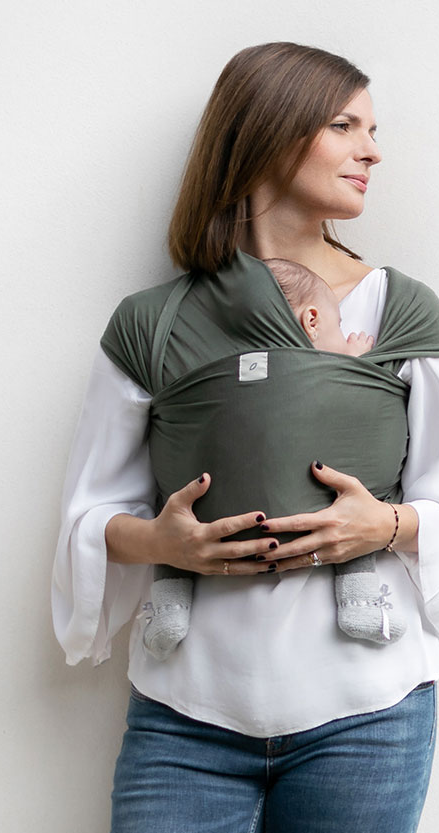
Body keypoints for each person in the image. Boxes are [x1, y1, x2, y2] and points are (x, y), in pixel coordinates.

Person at [52, 41, 439, 833]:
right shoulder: (154, 324)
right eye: (344, 126)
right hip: (187, 721)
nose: (373, 150)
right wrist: (165, 544)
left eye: (373, 130)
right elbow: (87, 517)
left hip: (368, 716)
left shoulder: (400, 314)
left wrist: (384, 523)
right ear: (264, 137)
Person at [139, 256, 410, 661]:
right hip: (316, 507)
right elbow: (344, 392)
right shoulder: (329, 368)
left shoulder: (210, 358)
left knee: (179, 501)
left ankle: (168, 608)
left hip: (214, 507)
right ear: (312, 321)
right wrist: (353, 361)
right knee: (352, 490)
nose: (344, 336)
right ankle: (359, 600)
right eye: (339, 327)